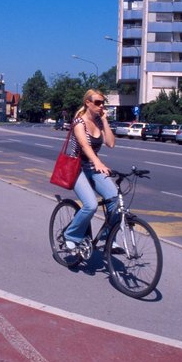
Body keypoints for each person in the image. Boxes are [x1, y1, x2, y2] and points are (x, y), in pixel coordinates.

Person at [63, 89, 118, 252]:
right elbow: (84, 146)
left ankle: (107, 237)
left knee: (115, 200)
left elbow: (111, 143)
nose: (101, 106)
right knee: (90, 205)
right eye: (98, 103)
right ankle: (71, 235)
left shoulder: (99, 122)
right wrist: (98, 162)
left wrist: (105, 121)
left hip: (92, 168)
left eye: (103, 103)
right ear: (88, 103)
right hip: (76, 168)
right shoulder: (79, 122)